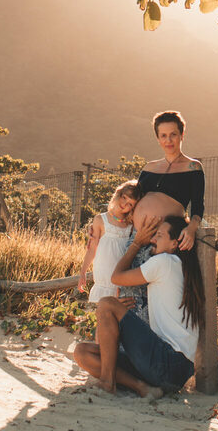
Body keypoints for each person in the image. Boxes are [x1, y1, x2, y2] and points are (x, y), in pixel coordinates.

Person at [73, 215, 205, 398]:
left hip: (168, 362)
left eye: (159, 235)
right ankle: (141, 387)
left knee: (106, 304)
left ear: (175, 244)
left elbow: (116, 277)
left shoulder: (165, 262)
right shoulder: (181, 268)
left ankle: (107, 383)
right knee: (82, 352)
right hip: (174, 372)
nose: (152, 240)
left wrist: (136, 244)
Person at [120, 110, 205, 322]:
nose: (169, 140)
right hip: (137, 239)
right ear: (157, 138)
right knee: (129, 299)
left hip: (163, 243)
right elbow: (132, 200)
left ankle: (155, 348)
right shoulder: (149, 168)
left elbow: (198, 207)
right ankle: (128, 350)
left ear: (182, 135)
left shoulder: (193, 167)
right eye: (163, 135)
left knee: (156, 300)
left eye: (173, 134)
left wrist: (192, 228)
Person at [77, 180, 143, 302]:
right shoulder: (100, 220)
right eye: (124, 198)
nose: (124, 204)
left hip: (121, 284)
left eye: (130, 204)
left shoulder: (131, 226)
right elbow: (92, 248)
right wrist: (83, 273)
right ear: (118, 194)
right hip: (103, 282)